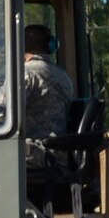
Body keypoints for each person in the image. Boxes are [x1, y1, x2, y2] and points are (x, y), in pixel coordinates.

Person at [21, 24, 73, 173]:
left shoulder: (27, 73)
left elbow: (2, 104)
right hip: (58, 155)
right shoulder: (64, 76)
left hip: (36, 154)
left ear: (21, 45)